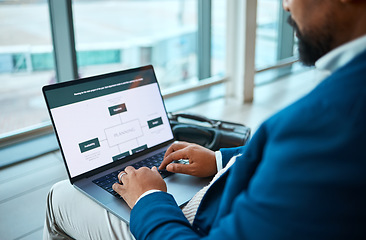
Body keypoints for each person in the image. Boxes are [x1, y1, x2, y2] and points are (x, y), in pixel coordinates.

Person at [43, 0, 366, 239]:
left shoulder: (328, 125)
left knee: (61, 195)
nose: (285, 6)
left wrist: (149, 199)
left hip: (200, 224)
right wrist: (219, 160)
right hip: (226, 191)